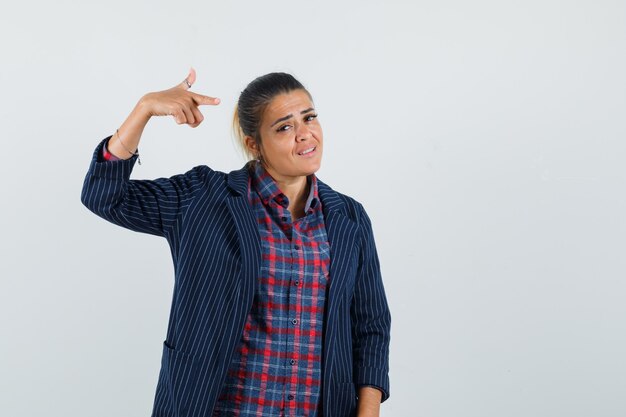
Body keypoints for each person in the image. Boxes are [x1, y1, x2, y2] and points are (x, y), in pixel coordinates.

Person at [80, 69, 391, 417]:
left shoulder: (349, 218)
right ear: (253, 143)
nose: (305, 135)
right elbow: (104, 196)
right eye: (284, 127)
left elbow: (371, 328)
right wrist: (145, 108)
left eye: (310, 118)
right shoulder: (202, 199)